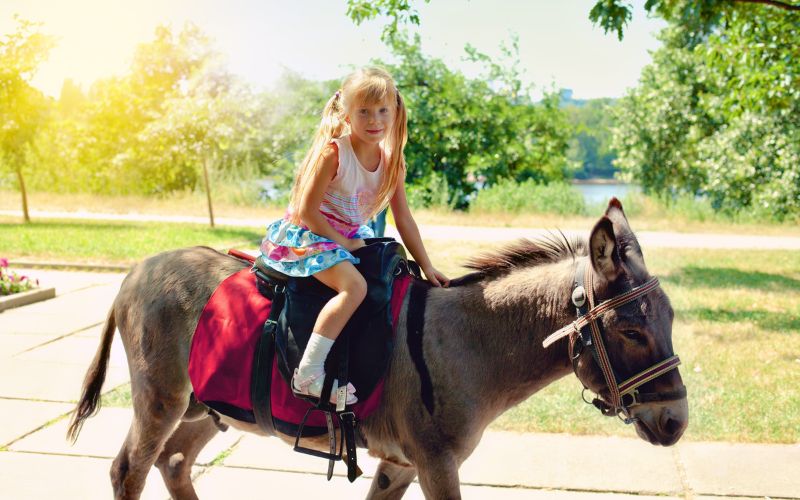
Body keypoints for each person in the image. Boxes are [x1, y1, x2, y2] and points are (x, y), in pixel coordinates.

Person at [259, 67, 449, 405]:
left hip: (348, 232)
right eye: (364, 111)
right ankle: (309, 373)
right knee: (355, 287)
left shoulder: (392, 162)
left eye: (382, 111)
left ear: (395, 112)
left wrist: (427, 264)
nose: (374, 120)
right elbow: (307, 211)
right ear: (347, 113)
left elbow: (404, 219)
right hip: (309, 233)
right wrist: (344, 243)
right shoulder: (334, 153)